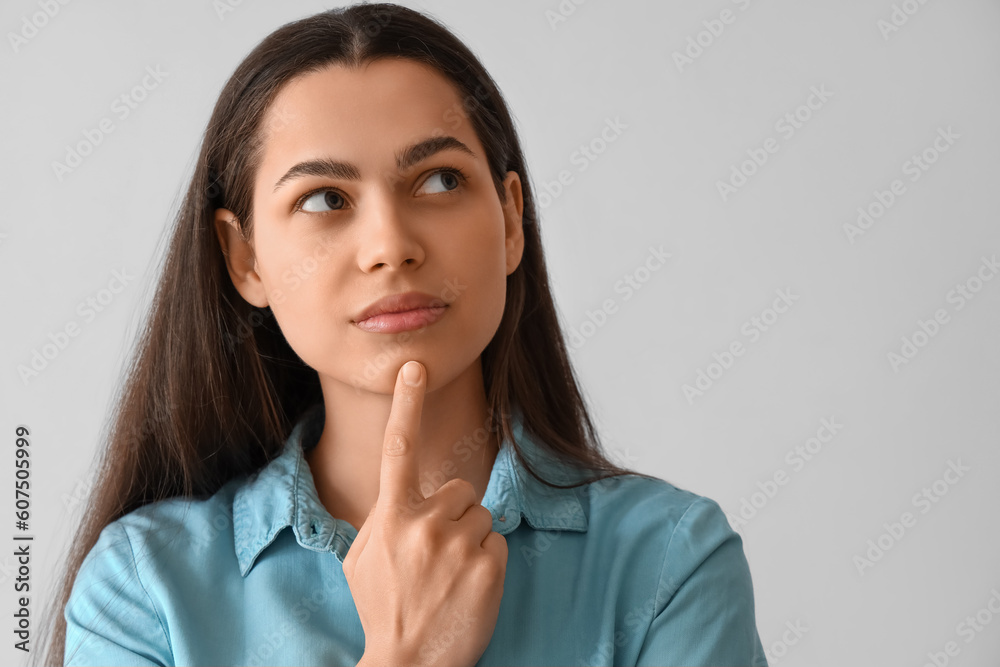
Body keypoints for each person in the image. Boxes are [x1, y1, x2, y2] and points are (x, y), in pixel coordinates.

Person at [36, 4, 768, 666]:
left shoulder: (669, 559)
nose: (390, 244)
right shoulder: (144, 591)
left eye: (440, 181)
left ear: (511, 220)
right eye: (325, 199)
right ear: (245, 257)